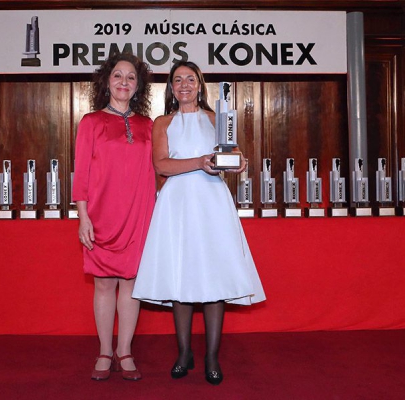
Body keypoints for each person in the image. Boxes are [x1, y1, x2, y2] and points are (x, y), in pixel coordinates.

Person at [132, 60, 266, 385]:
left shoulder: (215, 118)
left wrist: (237, 162)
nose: (184, 85)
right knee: (180, 275)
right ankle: (183, 352)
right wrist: (201, 162)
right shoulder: (162, 122)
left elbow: (231, 155)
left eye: (190, 79)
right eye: (178, 80)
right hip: (176, 204)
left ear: (200, 84)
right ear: (171, 88)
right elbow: (162, 166)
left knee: (213, 275)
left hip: (211, 203)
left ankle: (211, 356)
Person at [72, 52, 155, 381]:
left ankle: (125, 351)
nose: (124, 81)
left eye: (131, 77)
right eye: (118, 75)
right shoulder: (90, 122)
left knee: (131, 285)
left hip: (138, 215)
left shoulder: (148, 125)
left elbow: (159, 169)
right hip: (100, 216)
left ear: (138, 86)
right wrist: (82, 217)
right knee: (104, 285)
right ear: (107, 82)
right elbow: (81, 176)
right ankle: (105, 351)